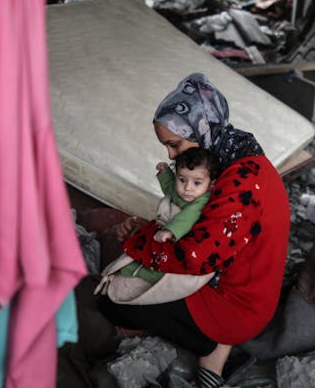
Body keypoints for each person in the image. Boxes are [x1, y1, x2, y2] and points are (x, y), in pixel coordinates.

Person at [98, 73, 291, 388]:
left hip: (236, 305)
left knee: (111, 300)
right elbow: (200, 224)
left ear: (201, 128)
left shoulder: (243, 178)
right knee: (132, 276)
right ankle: (213, 350)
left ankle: (214, 347)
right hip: (234, 286)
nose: (171, 156)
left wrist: (138, 242)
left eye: (174, 144)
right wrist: (150, 232)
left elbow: (194, 257)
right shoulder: (234, 157)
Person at [118, 147, 220, 284]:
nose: (187, 188)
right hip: (161, 228)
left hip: (177, 237)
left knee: (164, 262)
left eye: (197, 182)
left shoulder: (202, 200)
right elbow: (170, 188)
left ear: (211, 185)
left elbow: (189, 216)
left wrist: (170, 231)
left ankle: (147, 275)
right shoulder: (182, 192)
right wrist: (165, 173)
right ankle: (133, 263)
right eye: (182, 179)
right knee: (141, 245)